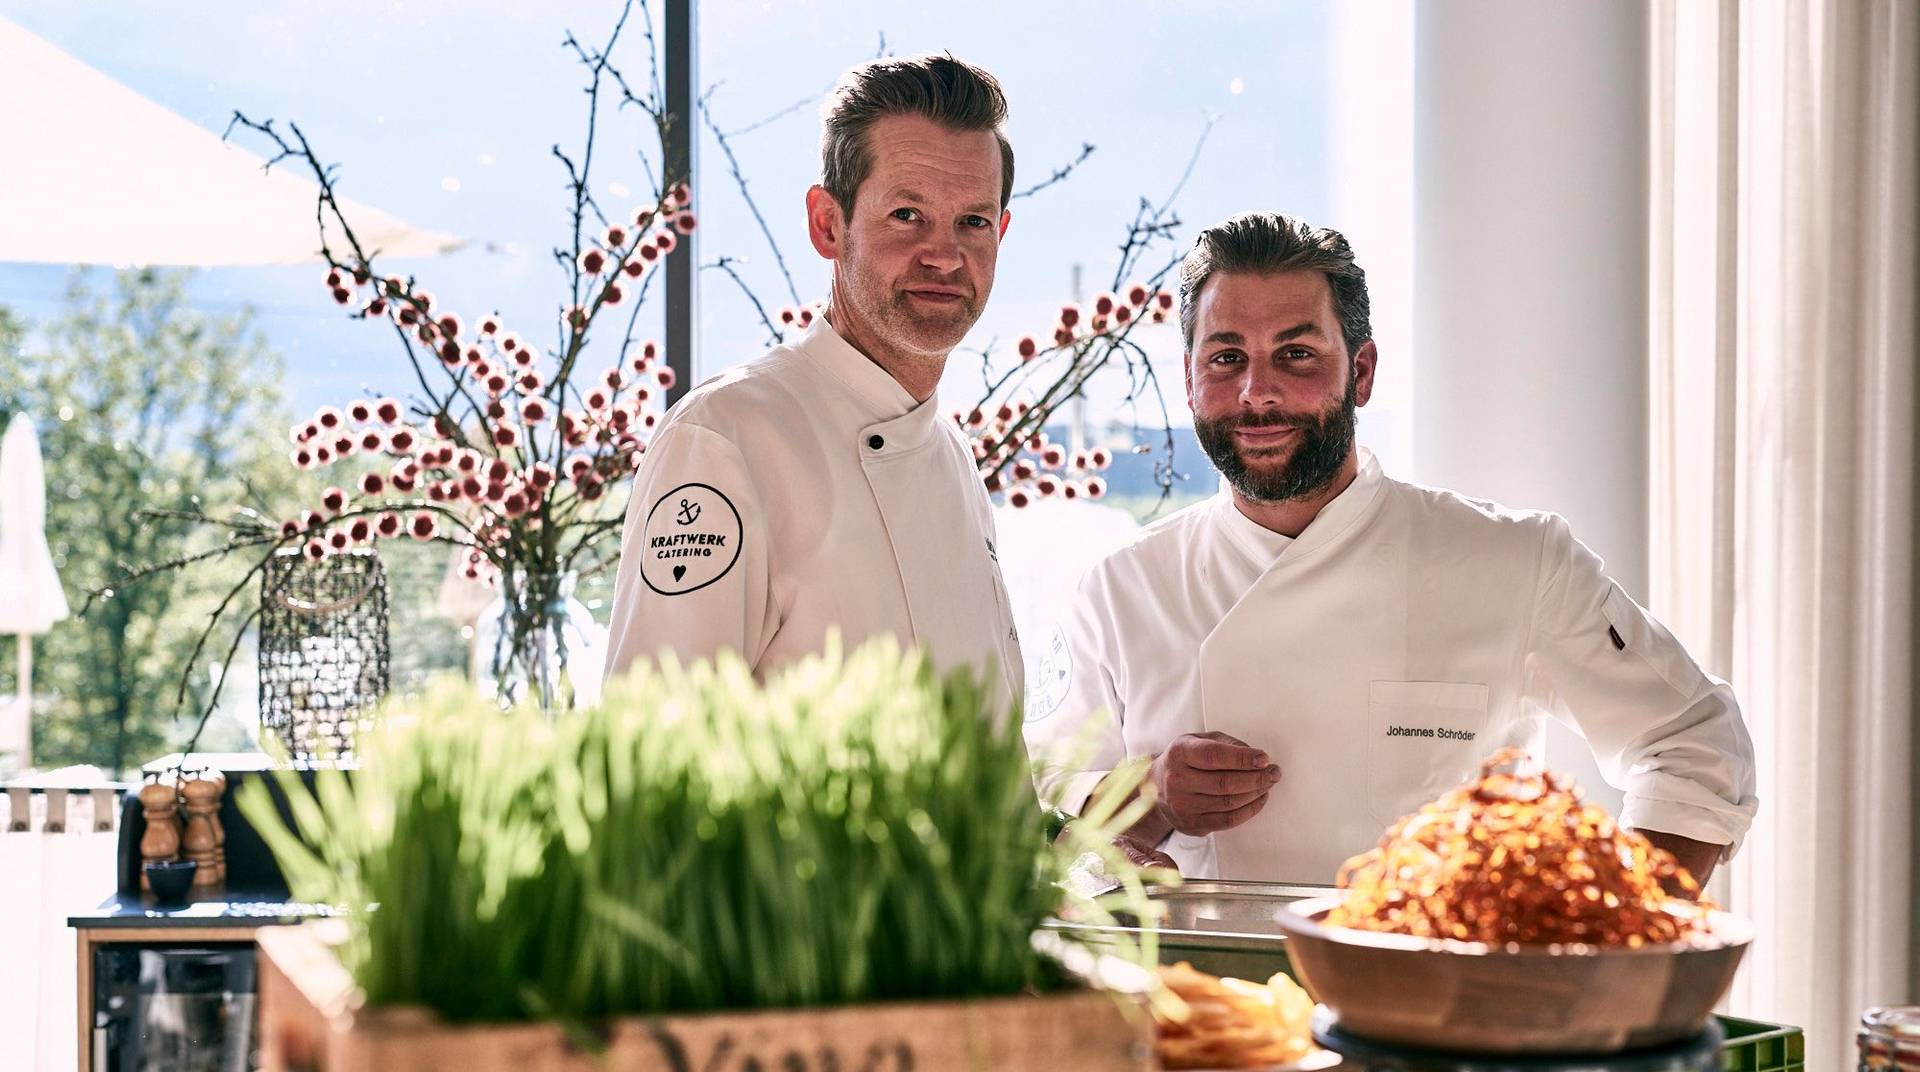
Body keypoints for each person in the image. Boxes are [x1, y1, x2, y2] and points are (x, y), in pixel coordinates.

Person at [1026, 212, 1756, 889]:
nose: (1258, 392)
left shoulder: (1514, 562)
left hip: (1436, 1012)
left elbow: (1696, 745)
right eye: (1225, 358)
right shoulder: (1119, 591)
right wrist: (1149, 798)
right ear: (1190, 380)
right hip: (1198, 1013)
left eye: (1297, 354)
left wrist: (1605, 943)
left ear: (1362, 372)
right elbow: (1041, 833)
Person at [604, 54, 1022, 706]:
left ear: (1000, 232)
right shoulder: (722, 439)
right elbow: (654, 751)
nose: (944, 255)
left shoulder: (954, 458)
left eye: (972, 221)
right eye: (906, 215)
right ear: (828, 224)